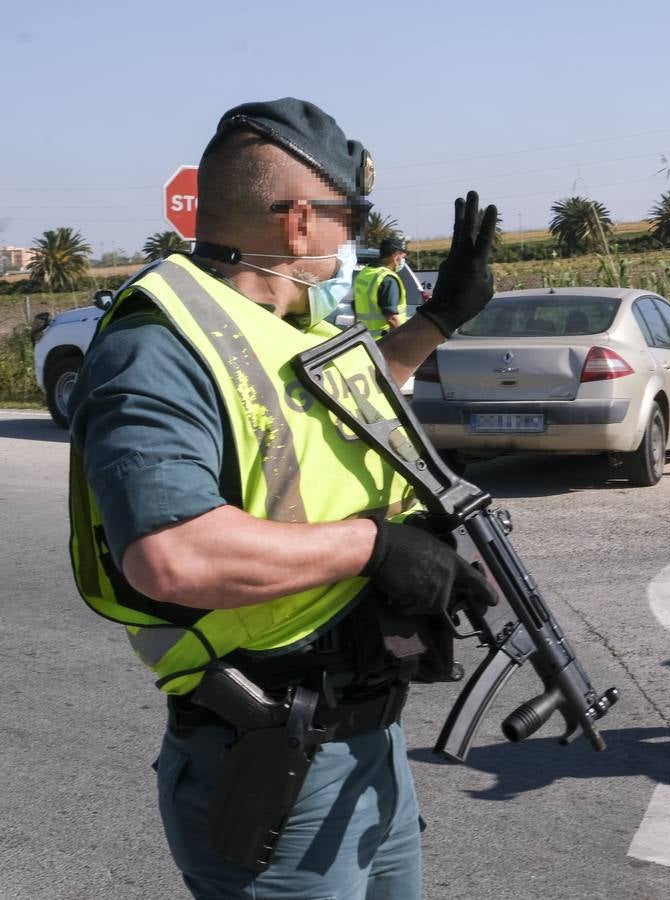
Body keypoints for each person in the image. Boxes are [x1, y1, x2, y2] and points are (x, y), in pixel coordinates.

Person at [67, 97, 498, 897]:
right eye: (351, 216)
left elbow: (352, 404)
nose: (353, 239)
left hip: (368, 742)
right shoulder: (157, 347)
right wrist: (373, 546)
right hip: (274, 752)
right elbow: (171, 553)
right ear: (298, 221)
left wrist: (439, 318)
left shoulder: (277, 324)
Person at [354, 236, 409, 334]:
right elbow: (392, 318)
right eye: (403, 257)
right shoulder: (387, 279)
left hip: (365, 340)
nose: (403, 261)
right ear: (396, 255)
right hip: (383, 340)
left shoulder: (365, 272)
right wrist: (405, 340)